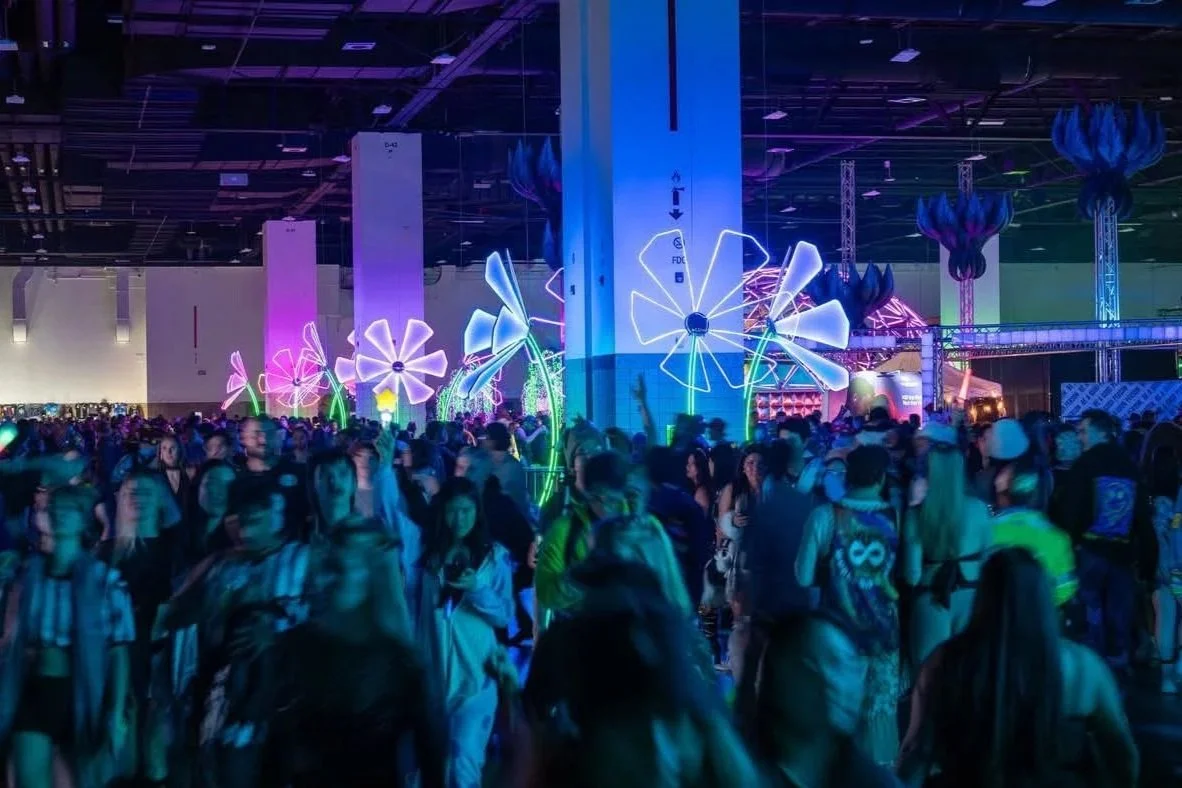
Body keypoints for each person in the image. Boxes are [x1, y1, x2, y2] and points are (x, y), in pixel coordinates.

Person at [898, 548, 1138, 788]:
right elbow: (1123, 755)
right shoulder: (1083, 667)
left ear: (982, 597)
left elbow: (917, 752)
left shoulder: (945, 662)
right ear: (1044, 599)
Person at [0, 485, 136, 788]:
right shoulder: (25, 576)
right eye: (54, 509)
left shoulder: (105, 581)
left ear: (84, 519)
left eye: (69, 509)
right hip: (36, 689)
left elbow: (118, 651)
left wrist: (115, 711)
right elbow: (10, 639)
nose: (60, 514)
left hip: (81, 692)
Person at [795, 444, 900, 766]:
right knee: (878, 713)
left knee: (836, 709)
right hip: (883, 632)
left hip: (836, 631)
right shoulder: (894, 516)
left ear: (847, 476)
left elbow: (802, 576)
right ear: (882, 478)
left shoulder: (825, 515)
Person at [416, 477, 513, 788]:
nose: (460, 519)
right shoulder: (428, 554)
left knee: (464, 763)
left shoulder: (494, 557)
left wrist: (477, 589)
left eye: (467, 511)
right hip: (433, 679)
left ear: (477, 512)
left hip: (476, 680)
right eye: (453, 511)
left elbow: (504, 616)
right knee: (430, 766)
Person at [750, 611, 902, 788]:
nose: (833, 682)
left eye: (849, 665)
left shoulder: (875, 782)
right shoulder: (737, 773)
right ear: (775, 676)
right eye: (808, 666)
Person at [901, 424, 992, 673]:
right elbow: (988, 560)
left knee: (929, 679)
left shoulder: (917, 514)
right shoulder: (980, 510)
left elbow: (912, 575)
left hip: (932, 599)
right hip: (972, 598)